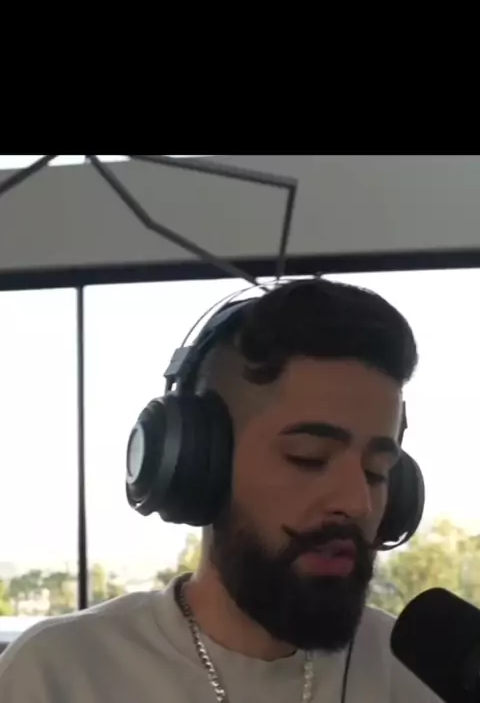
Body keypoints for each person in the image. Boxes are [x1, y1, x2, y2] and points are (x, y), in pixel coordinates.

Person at [0, 278, 441, 702]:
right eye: (308, 458)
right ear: (199, 465)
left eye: (377, 471)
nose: (357, 502)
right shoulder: (56, 676)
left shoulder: (420, 677)